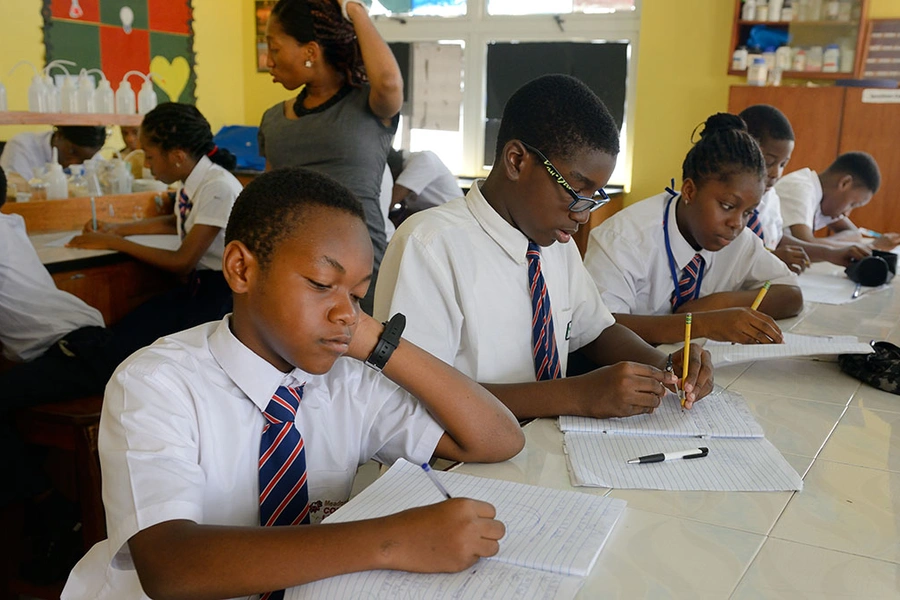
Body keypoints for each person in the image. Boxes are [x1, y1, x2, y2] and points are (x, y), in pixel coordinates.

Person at [61, 168, 524, 599]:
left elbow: (497, 438)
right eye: (323, 283)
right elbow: (169, 564)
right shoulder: (157, 383)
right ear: (242, 269)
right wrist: (392, 540)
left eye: (358, 294)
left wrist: (376, 339)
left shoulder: (347, 381)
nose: (345, 312)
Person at [375, 74, 713, 420]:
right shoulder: (429, 246)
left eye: (593, 197)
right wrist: (575, 395)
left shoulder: (552, 239)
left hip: (546, 443)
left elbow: (594, 330)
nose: (583, 215)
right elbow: (416, 396)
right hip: (458, 461)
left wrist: (662, 362)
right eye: (576, 191)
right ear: (517, 161)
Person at [584, 113, 802, 346]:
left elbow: (791, 295)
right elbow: (599, 329)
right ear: (689, 191)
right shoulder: (623, 238)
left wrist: (716, 305)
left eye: (748, 212)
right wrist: (702, 323)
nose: (737, 223)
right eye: (727, 206)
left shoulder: (739, 240)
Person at [258, 0, 401, 314]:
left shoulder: (371, 108)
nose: (268, 60)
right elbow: (265, 199)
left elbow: (389, 81)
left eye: (274, 48)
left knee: (361, 355)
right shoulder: (272, 120)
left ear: (310, 52)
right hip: (292, 262)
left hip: (358, 264)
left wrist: (354, 10)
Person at [0, 165, 107, 582]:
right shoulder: (11, 223)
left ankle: (55, 513)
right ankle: (48, 518)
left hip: (74, 353)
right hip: (90, 344)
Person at [776, 151, 900, 266]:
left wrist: (828, 245)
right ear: (845, 183)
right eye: (852, 204)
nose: (847, 213)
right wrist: (870, 247)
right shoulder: (800, 188)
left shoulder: (823, 198)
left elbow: (854, 233)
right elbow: (805, 244)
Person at [736, 104, 810, 274]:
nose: (776, 173)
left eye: (783, 164)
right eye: (769, 162)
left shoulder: (771, 198)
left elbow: (774, 238)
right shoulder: (725, 202)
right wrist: (770, 260)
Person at [387, 148, 463, 227]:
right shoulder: (406, 170)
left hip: (455, 222)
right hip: (438, 220)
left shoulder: (423, 159)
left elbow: (389, 203)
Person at [0, 125, 106, 181]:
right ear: (59, 135)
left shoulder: (94, 158)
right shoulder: (22, 147)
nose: (73, 163)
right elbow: (15, 193)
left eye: (83, 161)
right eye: (72, 152)